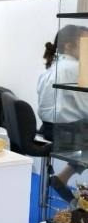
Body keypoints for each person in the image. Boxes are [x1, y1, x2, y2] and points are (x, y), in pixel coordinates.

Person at [37, 24, 88, 201]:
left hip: (48, 130)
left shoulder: (51, 69)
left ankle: (62, 177)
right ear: (69, 46)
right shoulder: (77, 68)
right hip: (69, 134)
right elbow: (85, 108)